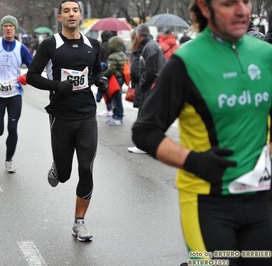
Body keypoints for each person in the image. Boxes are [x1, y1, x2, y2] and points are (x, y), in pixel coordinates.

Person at [132, 0, 272, 265]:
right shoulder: (186, 61)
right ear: (205, 8)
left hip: (259, 202)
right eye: (229, 3)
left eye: (246, 1)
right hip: (207, 203)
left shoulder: (266, 55)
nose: (242, 10)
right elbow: (145, 131)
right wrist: (193, 161)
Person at [26, 0, 107, 242]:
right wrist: (56, 86)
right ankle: (57, 167)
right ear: (59, 17)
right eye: (66, 11)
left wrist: (100, 80)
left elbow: (95, 72)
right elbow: (31, 76)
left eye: (75, 10)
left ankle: (79, 222)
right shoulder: (50, 44)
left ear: (80, 16)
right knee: (63, 175)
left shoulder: (93, 45)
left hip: (86, 115)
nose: (71, 14)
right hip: (60, 116)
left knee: (86, 167)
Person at [0, 15, 32, 173]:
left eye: (11, 26)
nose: (8, 28)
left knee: (13, 128)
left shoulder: (21, 47)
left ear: (15, 29)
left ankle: (9, 160)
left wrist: (26, 77)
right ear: (2, 29)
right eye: (6, 26)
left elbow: (34, 66)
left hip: (14, 93)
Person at [127, 24, 165, 154]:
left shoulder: (149, 47)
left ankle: (142, 145)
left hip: (150, 86)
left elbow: (149, 71)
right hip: (154, 85)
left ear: (138, 34)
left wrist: (143, 85)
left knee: (144, 115)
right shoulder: (154, 44)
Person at [103, 35, 126, 126]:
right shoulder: (123, 54)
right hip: (121, 78)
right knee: (118, 97)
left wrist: (103, 74)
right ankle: (117, 115)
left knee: (116, 98)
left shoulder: (113, 56)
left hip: (115, 79)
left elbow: (111, 69)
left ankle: (118, 117)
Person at [96, 30, 114, 117]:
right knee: (113, 90)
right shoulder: (113, 46)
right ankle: (112, 108)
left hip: (103, 70)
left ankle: (109, 108)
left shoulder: (101, 46)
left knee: (105, 88)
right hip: (113, 70)